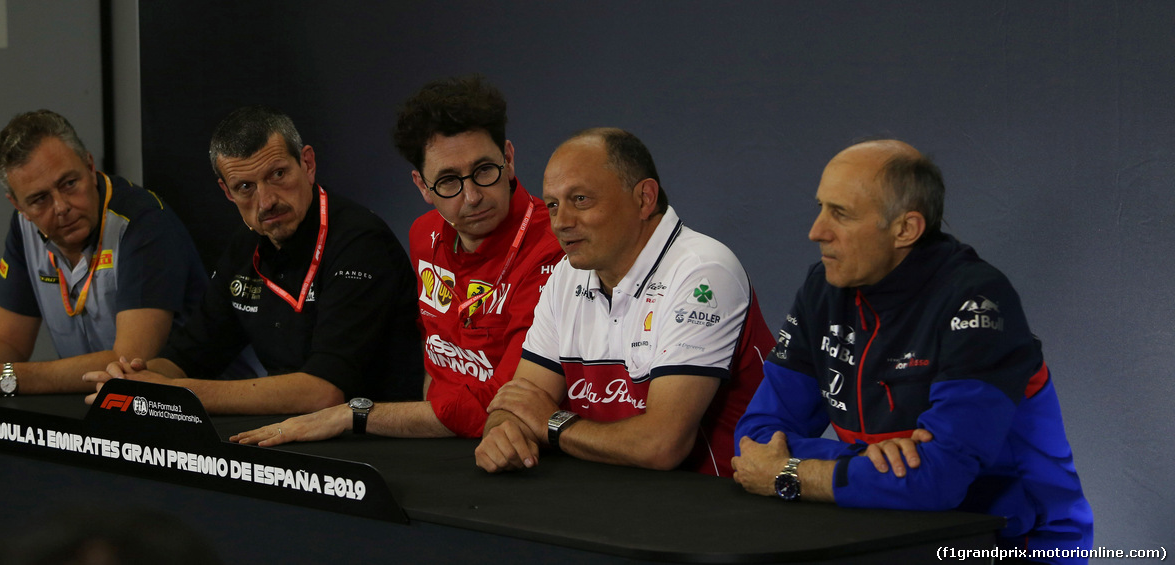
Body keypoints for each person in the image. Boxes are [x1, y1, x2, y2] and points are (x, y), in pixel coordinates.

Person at [732, 140, 1092, 555]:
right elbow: (756, 440)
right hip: (886, 528)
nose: (817, 231)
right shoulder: (824, 288)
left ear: (906, 229)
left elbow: (940, 480)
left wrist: (793, 475)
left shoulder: (977, 300)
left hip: (1013, 543)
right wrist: (869, 460)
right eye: (820, 207)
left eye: (841, 214)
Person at [233, 75, 565, 445]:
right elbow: (435, 357)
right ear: (422, 186)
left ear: (509, 158)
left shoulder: (553, 249)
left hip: (507, 443)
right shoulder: (424, 235)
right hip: (429, 438)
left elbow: (503, 406)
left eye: (485, 171)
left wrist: (354, 414)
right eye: (448, 181)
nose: (472, 197)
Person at [85, 106, 422, 415]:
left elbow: (323, 392)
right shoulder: (245, 248)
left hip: (375, 440)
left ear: (307, 164)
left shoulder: (361, 241)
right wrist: (133, 378)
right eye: (245, 186)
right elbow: (189, 355)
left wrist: (173, 392)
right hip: (291, 432)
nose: (267, 201)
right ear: (227, 192)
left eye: (278, 175)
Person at [475, 128, 774, 476]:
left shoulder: (702, 271)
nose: (561, 223)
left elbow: (662, 446)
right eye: (553, 205)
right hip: (616, 498)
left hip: (715, 505)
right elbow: (517, 401)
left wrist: (553, 424)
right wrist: (501, 432)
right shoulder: (566, 275)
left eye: (581, 200)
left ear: (645, 198)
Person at [0, 110, 206, 396]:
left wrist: (2, 376)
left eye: (69, 184)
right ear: (18, 206)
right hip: (92, 402)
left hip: (193, 405)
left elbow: (129, 363)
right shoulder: (24, 227)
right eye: (39, 199)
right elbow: (8, 343)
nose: (61, 206)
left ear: (89, 165)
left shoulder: (144, 222)